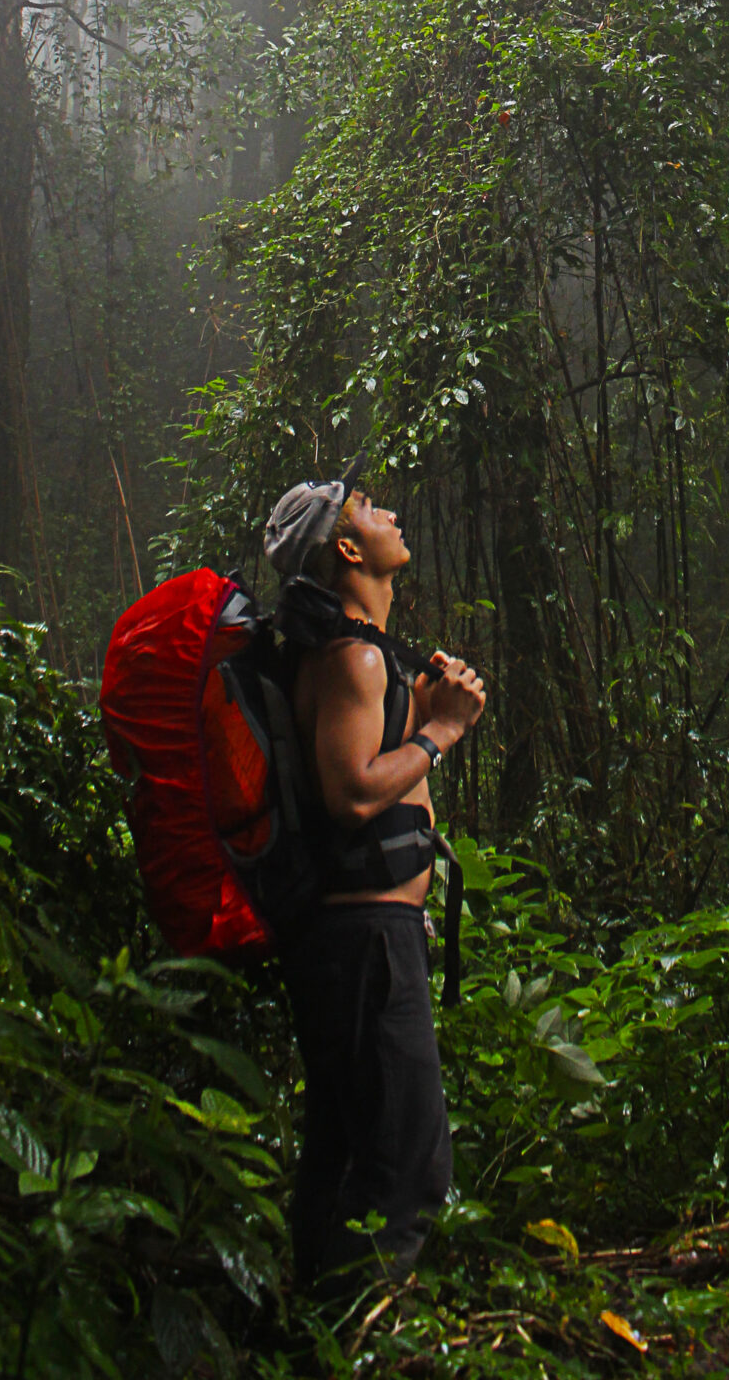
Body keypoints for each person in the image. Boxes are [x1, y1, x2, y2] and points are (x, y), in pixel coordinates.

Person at [261, 473, 486, 1295]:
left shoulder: (358, 654)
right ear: (348, 550)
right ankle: (357, 1341)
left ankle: (304, 1327)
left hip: (357, 940)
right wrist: (440, 731)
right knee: (406, 1160)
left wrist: (417, 712)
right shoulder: (353, 658)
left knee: (342, 1147)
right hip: (363, 945)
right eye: (369, 508)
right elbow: (351, 791)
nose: (391, 511)